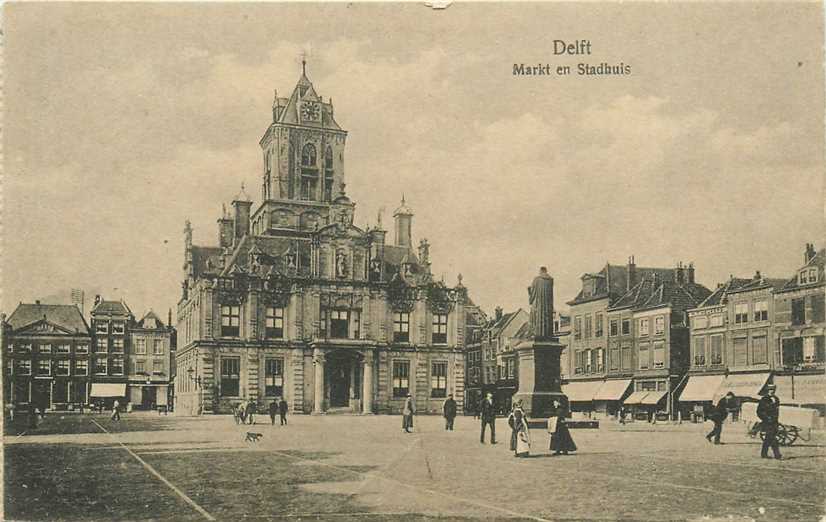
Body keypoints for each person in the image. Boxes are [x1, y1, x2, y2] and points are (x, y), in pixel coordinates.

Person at [757, 384, 782, 460]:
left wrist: (776, 421)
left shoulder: (776, 399)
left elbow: (777, 411)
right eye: (770, 390)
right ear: (767, 390)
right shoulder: (764, 399)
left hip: (774, 422)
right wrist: (766, 418)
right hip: (767, 422)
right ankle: (777, 454)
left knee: (768, 438)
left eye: (773, 390)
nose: (772, 391)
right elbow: (759, 411)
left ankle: (764, 454)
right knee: (772, 438)